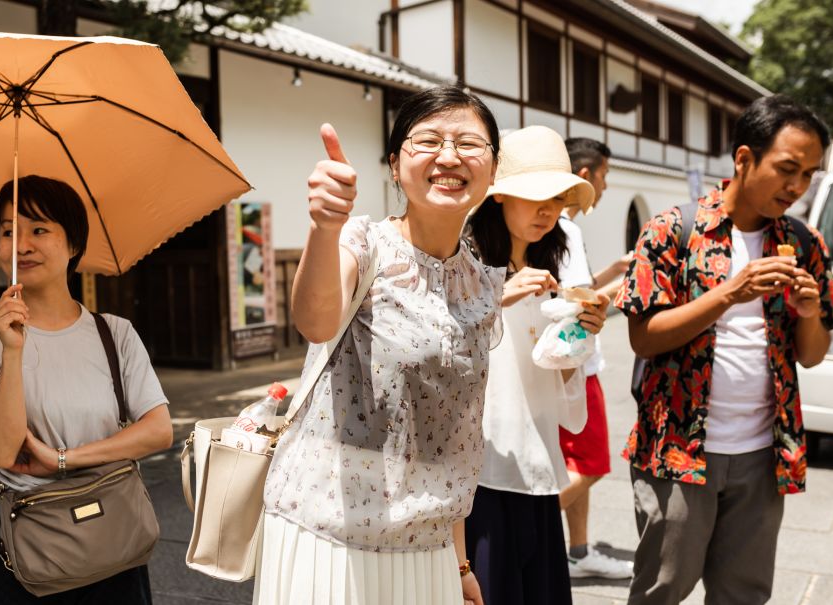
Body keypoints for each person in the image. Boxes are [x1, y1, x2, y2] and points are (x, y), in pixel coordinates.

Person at [255, 86, 504, 605]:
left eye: (469, 144)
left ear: (493, 168)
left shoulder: (481, 284)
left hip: (427, 543)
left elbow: (454, 438)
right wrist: (325, 227)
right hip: (331, 534)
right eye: (429, 140)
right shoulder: (362, 243)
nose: (450, 157)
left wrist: (460, 563)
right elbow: (316, 320)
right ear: (394, 164)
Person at [617, 95, 833, 605]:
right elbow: (643, 336)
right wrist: (730, 292)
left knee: (743, 594)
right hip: (677, 448)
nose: (797, 186)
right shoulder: (672, 228)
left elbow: (812, 355)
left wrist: (808, 313)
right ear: (744, 158)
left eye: (808, 174)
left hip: (763, 452)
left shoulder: (804, 242)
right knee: (661, 588)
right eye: (788, 169)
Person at [0, 175, 174, 604]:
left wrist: (63, 460)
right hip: (23, 537)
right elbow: (1, 451)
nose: (21, 245)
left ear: (73, 245)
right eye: (8, 231)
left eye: (39, 229)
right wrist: (11, 350)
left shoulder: (115, 333)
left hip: (113, 527)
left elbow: (158, 430)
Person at [463, 125, 610, 604]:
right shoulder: (464, 269)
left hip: (540, 467)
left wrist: (579, 333)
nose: (546, 210)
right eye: (533, 197)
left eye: (555, 198)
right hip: (482, 469)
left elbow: (564, 397)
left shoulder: (552, 282)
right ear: (499, 198)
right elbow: (443, 364)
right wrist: (495, 301)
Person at [555, 138, 633, 580]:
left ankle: (579, 551)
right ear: (585, 176)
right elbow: (573, 301)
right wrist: (632, 286)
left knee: (573, 464)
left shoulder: (557, 227)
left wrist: (616, 270)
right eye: (604, 177)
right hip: (576, 364)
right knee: (592, 465)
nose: (604, 188)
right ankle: (521, 527)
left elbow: (576, 286)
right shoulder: (565, 229)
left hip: (567, 363)